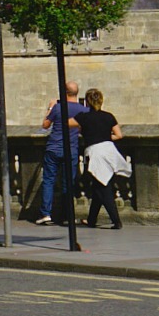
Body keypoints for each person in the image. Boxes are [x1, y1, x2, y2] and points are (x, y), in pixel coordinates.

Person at [73, 89, 129, 229]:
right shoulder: (109, 116)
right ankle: (91, 220)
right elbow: (119, 135)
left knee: (102, 188)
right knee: (100, 185)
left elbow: (66, 123)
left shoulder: (84, 117)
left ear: (87, 102)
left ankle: (116, 220)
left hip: (95, 153)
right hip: (109, 151)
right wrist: (104, 136)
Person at [37, 81, 89, 225]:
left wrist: (50, 107)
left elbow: (45, 125)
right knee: (68, 183)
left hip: (53, 148)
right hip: (71, 149)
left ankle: (46, 214)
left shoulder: (58, 108)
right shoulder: (83, 110)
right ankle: (67, 215)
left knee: (48, 181)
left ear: (64, 92)